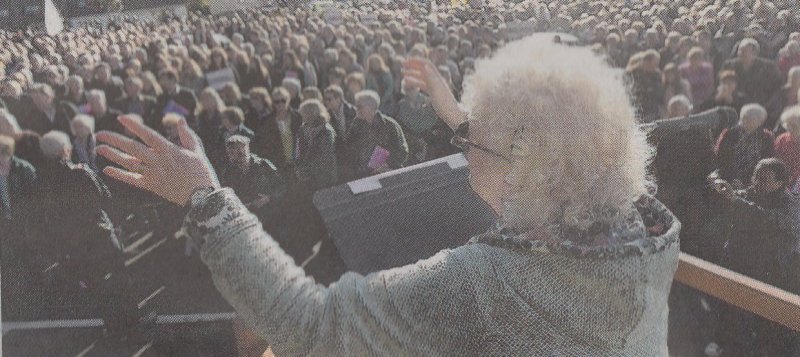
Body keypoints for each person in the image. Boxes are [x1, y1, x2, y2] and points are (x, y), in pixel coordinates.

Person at [96, 36, 679, 356]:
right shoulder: (649, 236)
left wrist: (205, 198)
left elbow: (309, 325)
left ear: (523, 167)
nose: (465, 153)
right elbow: (537, 152)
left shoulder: (479, 284)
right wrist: (463, 119)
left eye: (476, 143)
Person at [33, 131, 144, 340]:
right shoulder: (80, 172)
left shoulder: (42, 183)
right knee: (119, 277)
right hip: (99, 233)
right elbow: (104, 196)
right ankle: (132, 323)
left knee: (96, 285)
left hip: (73, 243)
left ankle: (112, 327)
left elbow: (47, 217)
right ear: (65, 150)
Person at [710, 158, 798, 356]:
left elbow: (768, 220)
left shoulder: (789, 204)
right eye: (756, 176)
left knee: (755, 317)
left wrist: (737, 201)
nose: (757, 182)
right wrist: (725, 191)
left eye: (764, 178)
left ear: (779, 183)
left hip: (768, 269)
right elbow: (741, 197)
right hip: (740, 260)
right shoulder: (756, 191)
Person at [346, 90, 409, 178]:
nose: (357, 109)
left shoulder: (390, 125)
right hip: (363, 176)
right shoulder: (356, 125)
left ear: (371, 107)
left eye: (359, 106)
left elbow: (402, 151)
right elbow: (349, 150)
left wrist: (386, 165)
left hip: (387, 175)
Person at [713, 104, 776, 189]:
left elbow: (767, 161)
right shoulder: (730, 134)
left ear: (760, 122)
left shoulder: (766, 137)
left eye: (750, 118)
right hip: (729, 178)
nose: (745, 120)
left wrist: (752, 182)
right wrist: (732, 179)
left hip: (754, 181)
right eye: (744, 117)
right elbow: (721, 158)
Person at [721, 38, 784, 107]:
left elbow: (777, 87)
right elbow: (724, 84)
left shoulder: (768, 67)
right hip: (735, 104)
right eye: (740, 50)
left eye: (744, 51)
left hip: (761, 104)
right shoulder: (729, 66)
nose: (740, 53)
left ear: (755, 53)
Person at [252, 87, 302, 173]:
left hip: (296, 164)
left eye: (283, 100)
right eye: (277, 101)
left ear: (288, 100)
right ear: (273, 103)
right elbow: (262, 144)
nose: (280, 104)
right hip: (277, 166)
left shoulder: (298, 117)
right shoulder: (265, 121)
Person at [295, 99, 338, 190]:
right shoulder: (303, 129)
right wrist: (300, 169)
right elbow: (299, 151)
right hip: (307, 178)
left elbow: (324, 157)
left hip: (324, 177)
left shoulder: (326, 131)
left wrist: (307, 171)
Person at [774, 106, 800, 184]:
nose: (790, 128)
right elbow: (776, 158)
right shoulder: (782, 139)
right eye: (788, 125)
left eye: (794, 126)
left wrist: (793, 177)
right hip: (781, 178)